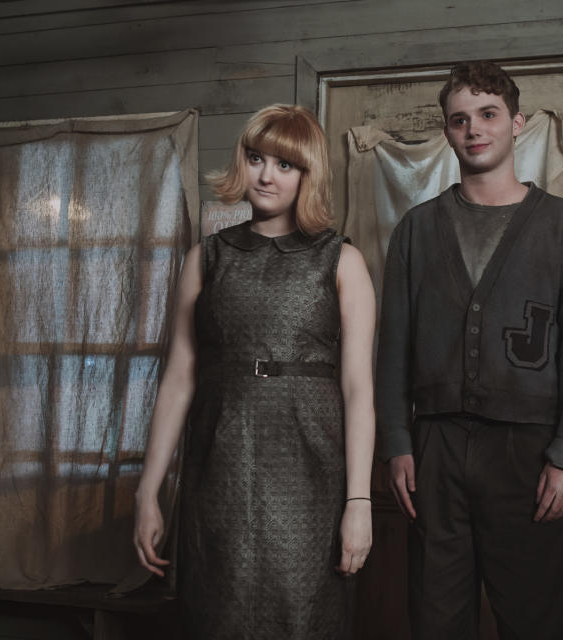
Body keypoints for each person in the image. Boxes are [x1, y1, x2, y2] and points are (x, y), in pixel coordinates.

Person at [376, 61, 563, 639]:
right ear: (447, 131)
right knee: (435, 618)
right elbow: (393, 347)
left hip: (527, 454)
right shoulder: (416, 230)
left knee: (534, 620)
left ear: (516, 123)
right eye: (459, 120)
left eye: (487, 115)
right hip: (435, 450)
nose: (474, 129)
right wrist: (397, 444)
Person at [133, 104, 376, 639]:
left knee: (305, 618)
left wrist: (359, 501)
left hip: (311, 470)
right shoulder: (207, 258)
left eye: (285, 165)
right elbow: (178, 380)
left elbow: (359, 391)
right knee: (218, 615)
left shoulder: (342, 261)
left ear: (307, 174)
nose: (266, 174)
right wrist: (148, 491)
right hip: (221, 466)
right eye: (256, 158)